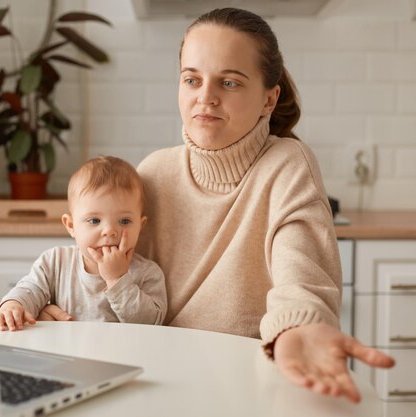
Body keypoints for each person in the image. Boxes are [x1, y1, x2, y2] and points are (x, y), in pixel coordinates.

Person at [37, 7, 396, 403]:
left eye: (229, 82)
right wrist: (61, 308)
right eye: (192, 79)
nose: (205, 98)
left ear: (268, 99)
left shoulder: (289, 164)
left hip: (242, 384)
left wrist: (298, 328)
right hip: (153, 381)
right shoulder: (153, 173)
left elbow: (301, 276)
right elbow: (113, 279)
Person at [0, 156, 167, 331]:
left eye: (124, 221)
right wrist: (13, 305)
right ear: (71, 226)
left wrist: (117, 280)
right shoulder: (55, 262)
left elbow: (152, 325)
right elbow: (30, 289)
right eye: (94, 220)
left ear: (141, 226)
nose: (110, 231)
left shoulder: (148, 274)